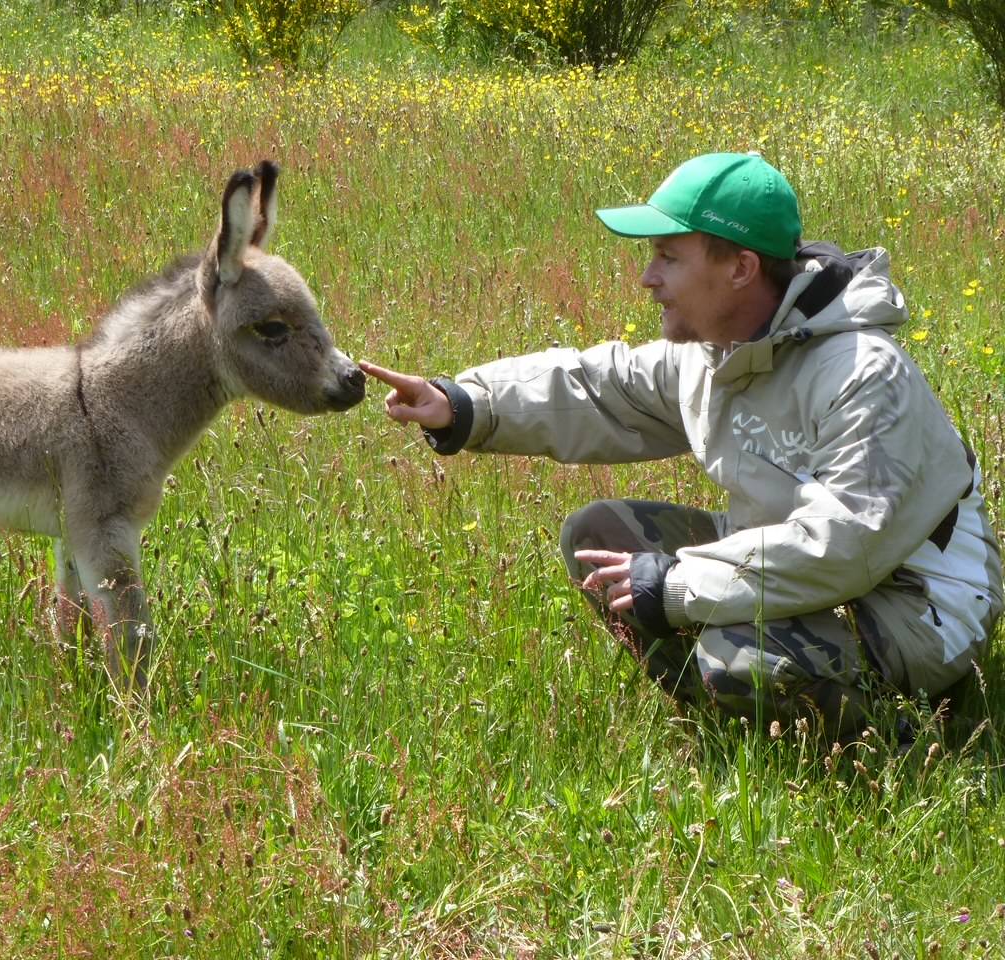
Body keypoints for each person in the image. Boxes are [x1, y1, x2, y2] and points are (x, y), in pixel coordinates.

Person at [362, 151, 1003, 738]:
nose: (648, 277)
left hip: (916, 599)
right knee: (600, 536)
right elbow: (599, 387)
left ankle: (915, 739)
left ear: (740, 268)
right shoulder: (712, 353)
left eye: (669, 257)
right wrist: (466, 404)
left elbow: (847, 546)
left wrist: (674, 584)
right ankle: (725, 715)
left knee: (738, 664)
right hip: (803, 570)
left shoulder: (864, 373)